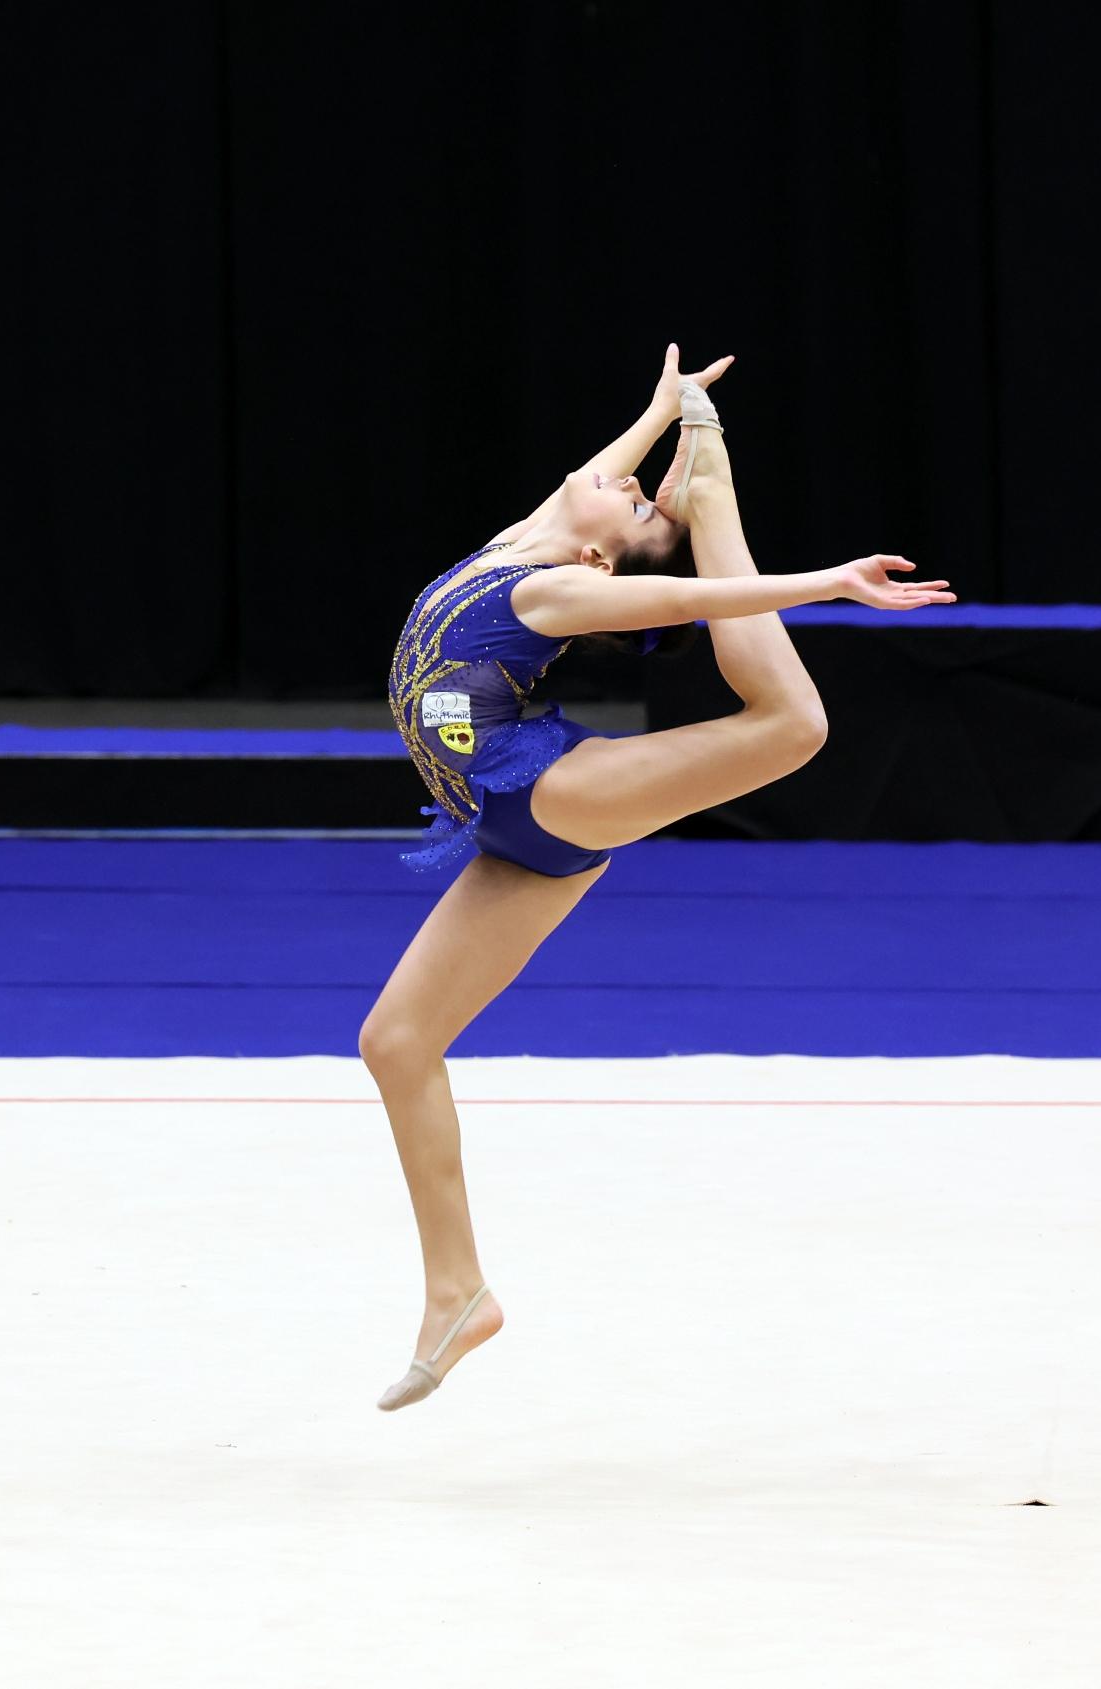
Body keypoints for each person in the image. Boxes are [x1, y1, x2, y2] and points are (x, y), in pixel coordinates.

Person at [366, 344, 957, 1410]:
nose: (623, 481)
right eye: (636, 485)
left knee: (790, 726)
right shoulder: (521, 544)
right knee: (396, 1042)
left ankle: (716, 498)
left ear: (601, 557)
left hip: (543, 791)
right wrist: (656, 413)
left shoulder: (554, 589)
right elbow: (586, 481)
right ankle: (458, 1292)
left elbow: (689, 591)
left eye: (637, 500)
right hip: (503, 827)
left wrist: (830, 582)